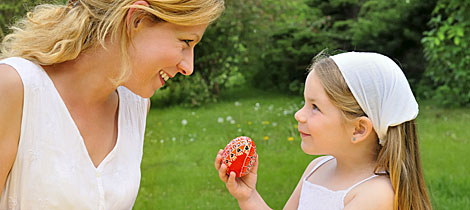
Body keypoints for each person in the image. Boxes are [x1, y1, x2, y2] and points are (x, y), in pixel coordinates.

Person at [0, 0, 224, 208]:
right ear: (137, 19)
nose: (189, 67)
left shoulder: (136, 105)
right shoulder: (14, 88)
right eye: (186, 42)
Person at [215, 52, 433, 210]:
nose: (299, 115)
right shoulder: (317, 168)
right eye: (305, 103)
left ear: (358, 129)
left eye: (315, 107)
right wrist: (248, 196)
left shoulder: (375, 195)